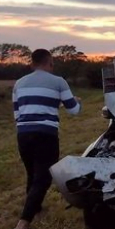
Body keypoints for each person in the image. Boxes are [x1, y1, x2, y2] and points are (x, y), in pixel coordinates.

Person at [12, 49, 82, 229]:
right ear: (49, 62)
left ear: (32, 63)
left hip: (23, 133)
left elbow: (17, 113)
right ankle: (23, 222)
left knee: (32, 174)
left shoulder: (18, 84)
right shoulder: (58, 82)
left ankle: (36, 209)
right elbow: (73, 110)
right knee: (43, 178)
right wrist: (76, 100)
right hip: (46, 134)